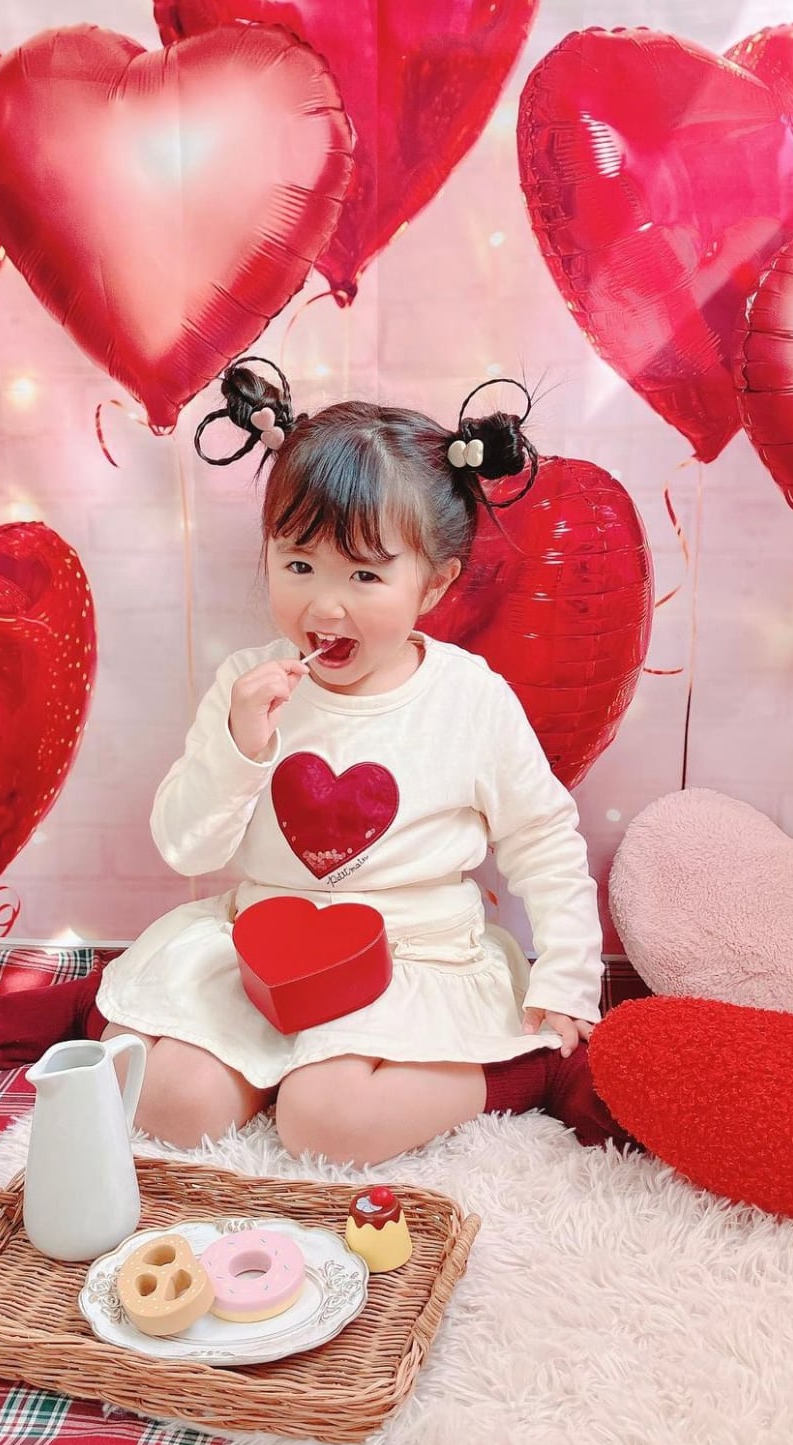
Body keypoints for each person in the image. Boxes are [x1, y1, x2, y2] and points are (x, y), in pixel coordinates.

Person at [93, 357, 629, 1166]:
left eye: (365, 575)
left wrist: (566, 975)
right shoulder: (248, 684)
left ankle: (524, 1073)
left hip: (411, 959)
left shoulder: (469, 699)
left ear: (434, 586)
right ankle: (255, 1059)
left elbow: (543, 841)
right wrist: (240, 748)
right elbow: (186, 849)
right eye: (298, 565)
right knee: (170, 1101)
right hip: (264, 948)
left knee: (326, 1120)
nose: (325, 603)